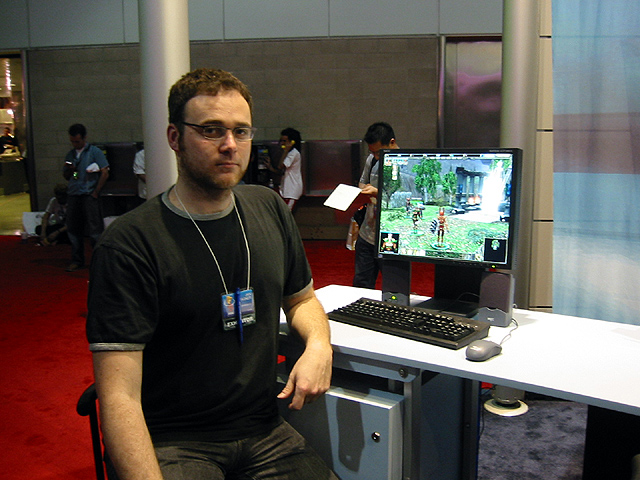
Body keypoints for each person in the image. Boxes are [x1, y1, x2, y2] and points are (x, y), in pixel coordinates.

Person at [86, 68, 336, 480]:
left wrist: (319, 345)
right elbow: (119, 397)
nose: (229, 145)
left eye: (241, 131)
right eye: (211, 130)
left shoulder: (269, 208)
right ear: (175, 138)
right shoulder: (131, 244)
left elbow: (302, 300)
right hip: (174, 440)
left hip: (264, 428)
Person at [352, 122, 399, 289]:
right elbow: (362, 182)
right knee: (361, 283)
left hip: (392, 234)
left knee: (394, 287)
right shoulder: (372, 159)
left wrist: (377, 193)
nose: (376, 156)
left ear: (392, 142)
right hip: (367, 232)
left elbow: (408, 200)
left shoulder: (406, 162)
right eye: (372, 152)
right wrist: (363, 191)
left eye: (379, 152)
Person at [62, 123, 109, 272]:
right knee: (73, 229)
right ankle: (77, 260)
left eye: (77, 141)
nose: (75, 144)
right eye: (72, 141)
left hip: (89, 194)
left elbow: (105, 172)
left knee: (95, 230)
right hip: (74, 193)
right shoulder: (70, 154)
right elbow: (68, 176)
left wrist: (96, 191)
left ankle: (99, 262)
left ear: (84, 138)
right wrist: (72, 171)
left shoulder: (94, 152)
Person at [272, 127, 303, 211]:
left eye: (284, 141)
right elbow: (281, 171)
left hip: (291, 190)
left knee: (286, 213)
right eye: (281, 141)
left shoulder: (293, 153)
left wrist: (285, 151)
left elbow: (280, 166)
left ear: (292, 142)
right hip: (285, 189)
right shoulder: (290, 153)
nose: (282, 143)